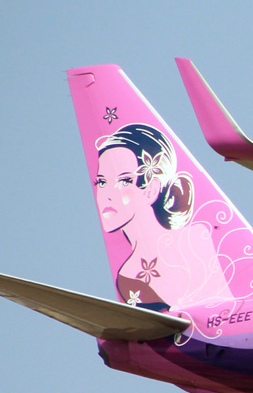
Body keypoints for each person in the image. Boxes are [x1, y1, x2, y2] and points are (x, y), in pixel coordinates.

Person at [94, 124, 234, 310]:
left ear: (151, 190)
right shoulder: (128, 277)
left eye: (124, 181)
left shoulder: (193, 239)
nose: (107, 194)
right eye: (102, 182)